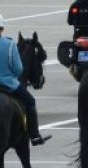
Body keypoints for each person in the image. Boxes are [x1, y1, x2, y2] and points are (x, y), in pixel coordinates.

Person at [0, 14, 51, 145]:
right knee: (30, 101)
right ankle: (34, 135)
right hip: (8, 84)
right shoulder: (10, 44)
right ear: (2, 28)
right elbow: (18, 69)